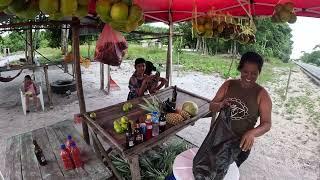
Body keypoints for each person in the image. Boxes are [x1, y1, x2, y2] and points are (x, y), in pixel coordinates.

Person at [209, 52, 272, 167]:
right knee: (209, 168)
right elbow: (211, 105)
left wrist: (252, 133)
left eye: (254, 73)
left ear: (259, 72)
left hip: (239, 145)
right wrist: (220, 105)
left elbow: (267, 124)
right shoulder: (228, 85)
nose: (248, 77)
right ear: (240, 69)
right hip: (217, 139)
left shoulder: (262, 95)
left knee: (227, 174)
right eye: (245, 72)